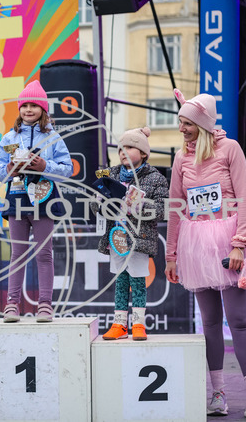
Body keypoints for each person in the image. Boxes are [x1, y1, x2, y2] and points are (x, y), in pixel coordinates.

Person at [164, 89, 246, 421]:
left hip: (229, 241)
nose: (181, 128)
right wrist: (171, 255)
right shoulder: (180, 159)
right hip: (196, 244)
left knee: (238, 320)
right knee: (209, 322)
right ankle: (218, 395)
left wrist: (240, 244)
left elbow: (244, 198)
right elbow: (175, 208)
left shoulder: (230, 149)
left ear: (201, 123)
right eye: (180, 122)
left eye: (186, 123)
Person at [0, 80, 73, 322]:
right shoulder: (9, 137)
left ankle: (45, 305)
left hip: (44, 200)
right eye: (24, 105)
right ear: (19, 109)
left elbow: (67, 169)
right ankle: (12, 304)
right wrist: (10, 169)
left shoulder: (53, 137)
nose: (28, 109)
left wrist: (45, 166)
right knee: (17, 253)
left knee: (44, 253)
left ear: (43, 109)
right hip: (16, 199)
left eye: (34, 105)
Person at [91, 127, 168, 341]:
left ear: (143, 153)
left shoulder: (155, 178)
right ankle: (119, 324)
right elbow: (94, 204)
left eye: (129, 148)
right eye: (120, 149)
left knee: (138, 280)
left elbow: (162, 210)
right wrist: (101, 203)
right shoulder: (110, 174)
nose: (123, 152)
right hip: (115, 237)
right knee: (121, 280)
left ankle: (138, 324)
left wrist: (137, 205)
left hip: (139, 239)